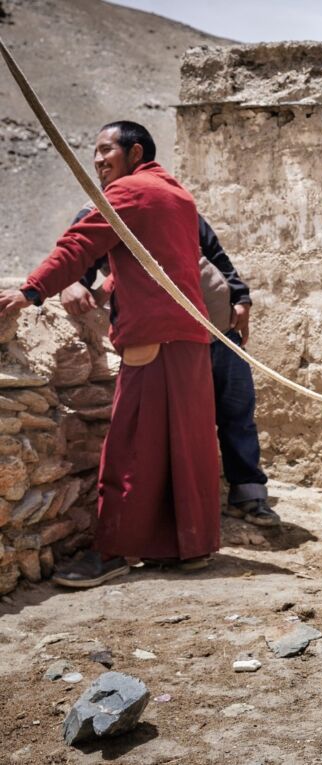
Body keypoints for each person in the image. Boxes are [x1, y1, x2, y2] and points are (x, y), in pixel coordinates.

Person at [0, 120, 222, 587]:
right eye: (95, 152)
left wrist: (29, 291)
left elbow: (78, 245)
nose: (98, 160)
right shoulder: (175, 195)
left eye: (106, 151)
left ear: (135, 152)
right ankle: (189, 548)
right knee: (185, 448)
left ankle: (113, 551)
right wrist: (107, 290)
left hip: (154, 339)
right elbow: (160, 263)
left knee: (130, 447)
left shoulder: (129, 193)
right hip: (187, 339)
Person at [61, 215, 280, 528]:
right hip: (172, 338)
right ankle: (179, 516)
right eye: (97, 162)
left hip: (220, 328)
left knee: (237, 410)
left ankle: (248, 496)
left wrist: (241, 297)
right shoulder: (101, 213)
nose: (100, 165)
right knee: (179, 425)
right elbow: (78, 257)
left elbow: (216, 256)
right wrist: (73, 283)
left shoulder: (174, 205)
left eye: (106, 161)